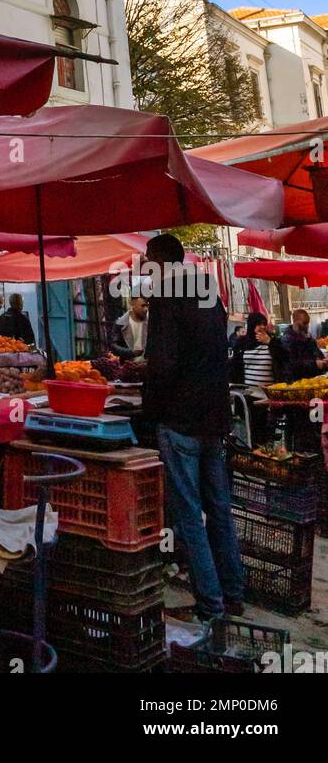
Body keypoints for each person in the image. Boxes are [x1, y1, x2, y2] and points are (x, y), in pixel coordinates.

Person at [142, 232, 244, 621]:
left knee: (189, 515)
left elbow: (164, 363)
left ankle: (210, 606)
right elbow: (216, 347)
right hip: (214, 416)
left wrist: (150, 411)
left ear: (158, 260)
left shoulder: (166, 296)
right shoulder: (206, 289)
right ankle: (232, 593)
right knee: (218, 508)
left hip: (181, 420)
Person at [231, 316, 286, 388]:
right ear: (251, 325)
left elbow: (284, 357)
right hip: (249, 392)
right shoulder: (242, 342)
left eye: (264, 324)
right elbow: (236, 366)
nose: (262, 327)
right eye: (259, 324)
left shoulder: (272, 340)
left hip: (270, 391)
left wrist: (270, 342)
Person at [280, 308, 328, 382]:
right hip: (298, 381)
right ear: (295, 322)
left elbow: (316, 352)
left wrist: (323, 360)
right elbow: (292, 364)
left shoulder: (307, 336)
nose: (307, 326)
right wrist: (315, 364)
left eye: (308, 323)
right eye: (304, 323)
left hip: (313, 378)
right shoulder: (287, 340)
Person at [110, 295, 149, 359]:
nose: (146, 309)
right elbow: (114, 346)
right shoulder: (120, 323)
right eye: (143, 306)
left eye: (147, 306)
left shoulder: (151, 321)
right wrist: (130, 353)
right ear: (132, 304)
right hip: (129, 365)